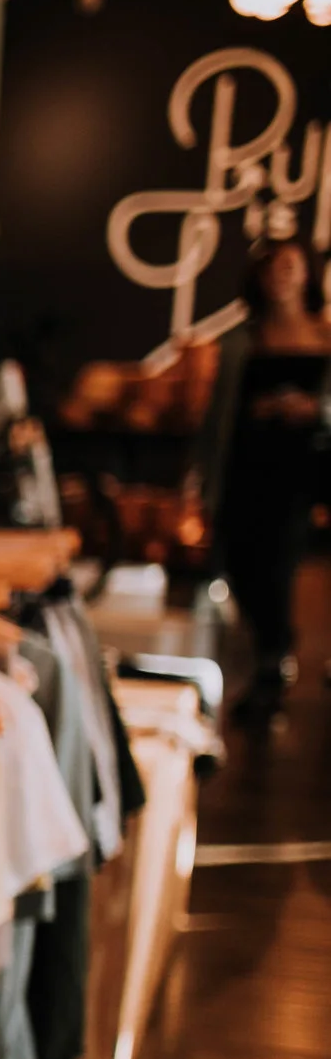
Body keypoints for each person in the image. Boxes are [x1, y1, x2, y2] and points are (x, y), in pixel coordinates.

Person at [195, 236, 331, 724]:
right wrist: (203, 475)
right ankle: (267, 655)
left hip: (303, 472)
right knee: (241, 566)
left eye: (291, 266)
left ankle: (273, 668)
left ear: (307, 274)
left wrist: (313, 409)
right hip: (248, 468)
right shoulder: (242, 341)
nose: (282, 276)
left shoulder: (324, 336)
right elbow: (219, 417)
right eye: (273, 267)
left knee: (280, 568)